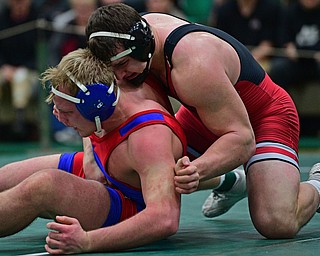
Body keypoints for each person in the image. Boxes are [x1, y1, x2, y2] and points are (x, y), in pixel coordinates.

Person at [85, 3, 320, 239]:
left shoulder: (193, 61)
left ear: (141, 46)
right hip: (203, 114)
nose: (119, 77)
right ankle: (231, 182)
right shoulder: (123, 35)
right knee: (147, 159)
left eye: (122, 66)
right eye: (111, 69)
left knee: (276, 222)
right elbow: (87, 96)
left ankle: (318, 184)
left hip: (264, 117)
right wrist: (90, 156)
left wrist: (198, 169)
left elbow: (242, 140)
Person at [0, 47, 187, 254]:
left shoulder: (148, 137)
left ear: (95, 108)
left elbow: (165, 219)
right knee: (5, 176)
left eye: (67, 112)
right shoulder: (105, 91)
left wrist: (87, 241)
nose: (59, 118)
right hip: (105, 168)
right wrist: (90, 160)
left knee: (43, 186)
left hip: (130, 204)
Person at [0, 0, 39, 139]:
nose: (19, 6)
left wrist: (23, 67)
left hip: (30, 69)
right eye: (16, 2)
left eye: (22, 2)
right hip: (5, 67)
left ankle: (20, 122)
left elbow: (41, 51)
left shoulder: (38, 18)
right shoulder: (2, 18)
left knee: (21, 79)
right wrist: (4, 66)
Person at [212, 0, 283, 71]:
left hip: (261, 61)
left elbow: (267, 46)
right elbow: (220, 43)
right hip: (232, 59)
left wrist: (248, 62)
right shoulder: (224, 10)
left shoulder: (271, 9)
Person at [268, 0, 320, 90]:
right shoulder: (289, 12)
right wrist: (288, 46)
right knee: (278, 68)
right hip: (295, 61)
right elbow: (283, 38)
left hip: (317, 63)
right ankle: (284, 103)